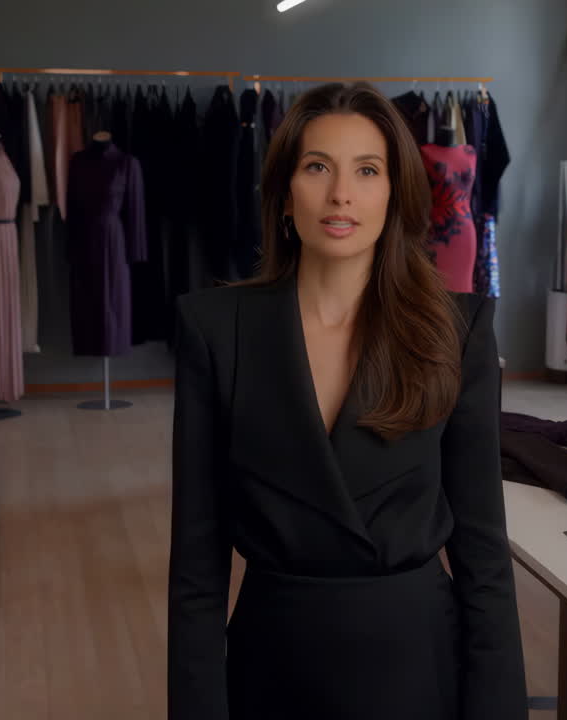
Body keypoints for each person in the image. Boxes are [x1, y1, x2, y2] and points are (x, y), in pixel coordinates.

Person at [168, 83, 528, 720]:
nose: (341, 194)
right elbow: (197, 569)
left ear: (394, 192)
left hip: (415, 670)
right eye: (317, 168)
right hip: (272, 670)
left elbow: (483, 555)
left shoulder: (455, 331)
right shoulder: (215, 329)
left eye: (367, 170)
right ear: (283, 192)